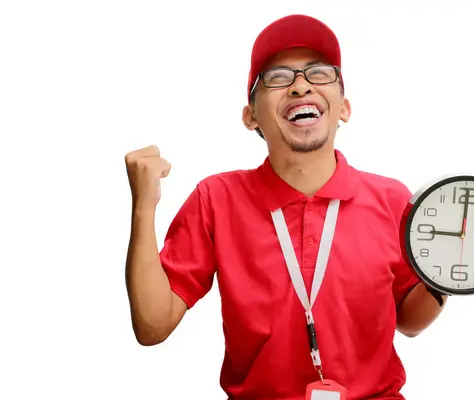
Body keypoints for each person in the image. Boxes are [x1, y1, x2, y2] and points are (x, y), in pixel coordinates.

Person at [124, 14, 447, 400]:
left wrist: (448, 274)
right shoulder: (216, 198)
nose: (300, 86)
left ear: (343, 107)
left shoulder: (392, 200)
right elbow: (153, 326)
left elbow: (408, 322)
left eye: (319, 73)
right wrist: (143, 207)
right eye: (277, 78)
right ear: (250, 116)